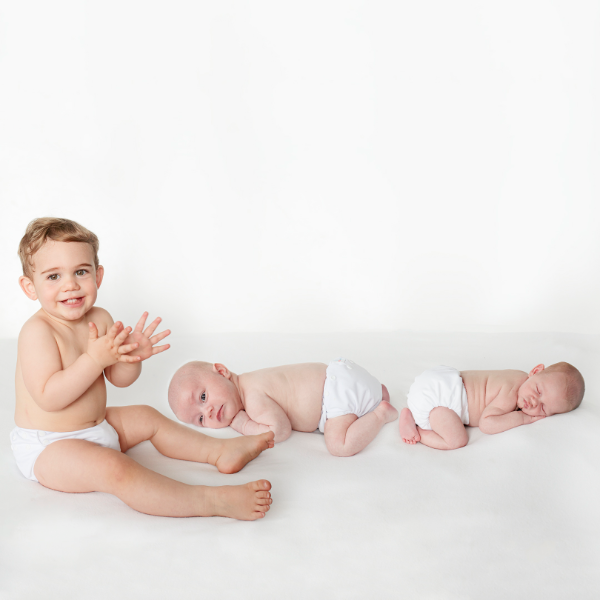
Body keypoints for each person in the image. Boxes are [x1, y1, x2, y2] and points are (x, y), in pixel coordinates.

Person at [11, 217, 273, 520]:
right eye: (53, 276)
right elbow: (49, 397)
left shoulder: (101, 317)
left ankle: (217, 451)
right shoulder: (38, 332)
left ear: (98, 275)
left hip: (97, 427)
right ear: (30, 287)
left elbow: (119, 380)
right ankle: (210, 501)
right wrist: (94, 360)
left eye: (80, 272)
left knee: (147, 415)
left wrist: (130, 357)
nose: (70, 284)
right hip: (49, 446)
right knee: (115, 469)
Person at [168, 358, 398, 457]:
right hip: (342, 375)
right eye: (199, 419)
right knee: (357, 401)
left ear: (222, 371)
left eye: (204, 396)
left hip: (335, 394)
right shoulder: (251, 379)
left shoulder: (252, 397)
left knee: (339, 445)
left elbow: (280, 430)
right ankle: (376, 393)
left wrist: (243, 424)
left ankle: (379, 413)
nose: (207, 411)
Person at [398, 363, 584, 450]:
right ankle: (417, 430)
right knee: (457, 440)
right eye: (538, 390)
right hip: (441, 399)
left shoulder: (519, 376)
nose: (534, 401)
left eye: (543, 408)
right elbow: (487, 424)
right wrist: (523, 418)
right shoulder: (511, 392)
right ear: (535, 371)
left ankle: (410, 413)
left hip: (440, 381)